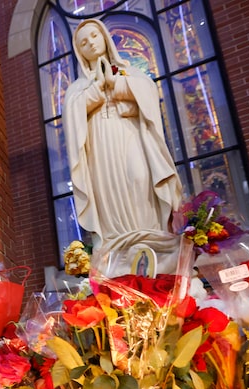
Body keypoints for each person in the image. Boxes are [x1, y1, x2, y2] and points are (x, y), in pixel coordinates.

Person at [63, 19, 183, 262]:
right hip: (99, 145)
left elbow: (148, 95)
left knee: (139, 178)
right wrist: (97, 89)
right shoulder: (77, 87)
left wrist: (116, 84)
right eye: (83, 42)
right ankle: (117, 248)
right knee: (107, 189)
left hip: (130, 136)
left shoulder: (130, 72)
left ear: (105, 37)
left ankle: (152, 243)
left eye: (94, 36)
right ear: (79, 52)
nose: (91, 44)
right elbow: (72, 117)